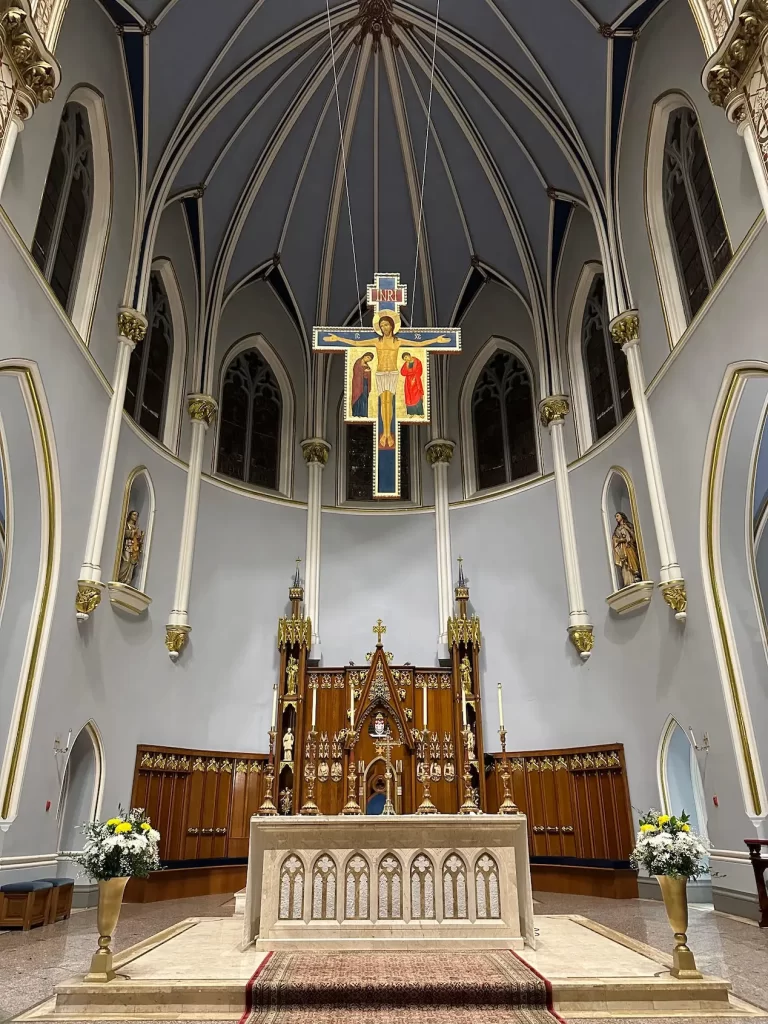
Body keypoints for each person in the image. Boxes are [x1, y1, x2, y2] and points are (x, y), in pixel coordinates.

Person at [612, 512, 642, 589]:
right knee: (625, 564)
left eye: (617, 516)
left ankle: (636, 576)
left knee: (632, 559)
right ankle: (628, 581)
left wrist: (626, 539)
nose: (616, 518)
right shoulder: (617, 529)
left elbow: (633, 535)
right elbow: (614, 539)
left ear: (622, 516)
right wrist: (618, 540)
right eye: (615, 517)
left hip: (629, 546)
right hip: (622, 548)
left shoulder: (628, 526)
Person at [351, 352, 373, 417]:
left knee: (364, 397)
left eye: (370, 359)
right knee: (358, 397)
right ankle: (357, 413)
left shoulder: (367, 365)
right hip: (358, 384)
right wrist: (364, 371)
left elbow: (367, 375)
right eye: (368, 357)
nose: (368, 360)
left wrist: (368, 372)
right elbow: (356, 372)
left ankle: (363, 413)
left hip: (365, 383)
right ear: (364, 356)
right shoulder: (358, 363)